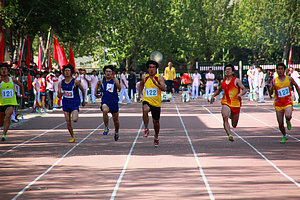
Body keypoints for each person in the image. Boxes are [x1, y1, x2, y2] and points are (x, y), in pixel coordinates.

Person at [210, 64, 246, 142]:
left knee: (234, 125)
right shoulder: (223, 81)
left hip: (236, 104)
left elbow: (244, 90)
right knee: (225, 116)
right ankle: (229, 134)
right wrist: (213, 96)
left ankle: (231, 115)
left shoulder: (236, 80)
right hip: (226, 102)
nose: (227, 71)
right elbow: (219, 90)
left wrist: (240, 94)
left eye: (229, 69)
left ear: (232, 72)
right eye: (226, 70)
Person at [137, 60, 166, 147]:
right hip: (147, 100)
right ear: (147, 69)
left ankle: (156, 137)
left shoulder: (159, 78)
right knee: (145, 109)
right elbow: (141, 85)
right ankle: (146, 128)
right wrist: (139, 94)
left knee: (156, 122)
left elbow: (164, 89)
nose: (151, 69)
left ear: (156, 69)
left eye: (153, 67)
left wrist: (156, 84)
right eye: (150, 67)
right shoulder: (145, 77)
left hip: (156, 103)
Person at [270, 63, 300, 143]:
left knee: (288, 115)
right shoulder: (274, 80)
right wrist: (272, 87)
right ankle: (284, 135)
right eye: (278, 69)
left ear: (284, 70)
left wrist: (299, 96)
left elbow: (297, 86)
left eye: (281, 69)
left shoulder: (289, 79)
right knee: (280, 123)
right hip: (278, 104)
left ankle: (288, 120)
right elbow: (270, 93)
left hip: (288, 102)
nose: (280, 71)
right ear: (276, 70)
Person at [58, 64, 85, 143]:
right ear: (63, 72)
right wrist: (60, 93)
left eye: (68, 71)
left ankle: (76, 112)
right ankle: (72, 136)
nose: (67, 72)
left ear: (71, 72)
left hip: (74, 103)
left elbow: (82, 90)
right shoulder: (61, 83)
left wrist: (83, 100)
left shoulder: (75, 82)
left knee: (75, 119)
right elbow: (58, 95)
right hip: (66, 103)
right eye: (65, 71)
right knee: (68, 121)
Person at [0, 63, 28, 141]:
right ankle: (3, 128)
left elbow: (21, 85)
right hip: (1, 103)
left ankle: (4, 134)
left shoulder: (12, 80)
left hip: (11, 102)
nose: (4, 71)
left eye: (5, 69)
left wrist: (23, 95)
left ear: (8, 71)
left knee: (8, 115)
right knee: (1, 121)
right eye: (2, 69)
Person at [95, 65, 121, 141]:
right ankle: (106, 127)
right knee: (105, 111)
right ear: (104, 72)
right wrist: (95, 93)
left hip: (114, 101)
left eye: (110, 71)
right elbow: (97, 84)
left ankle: (116, 131)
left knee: (115, 120)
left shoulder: (115, 79)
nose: (108, 73)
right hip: (105, 100)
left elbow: (120, 88)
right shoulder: (102, 80)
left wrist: (116, 83)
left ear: (112, 73)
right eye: (107, 71)